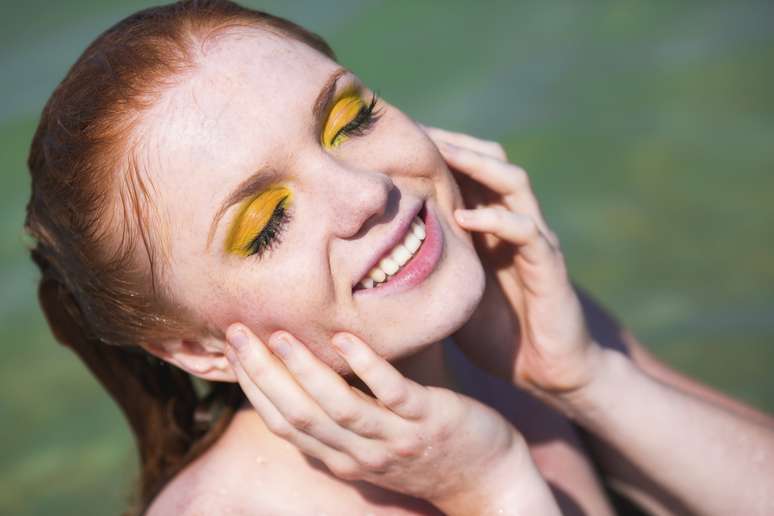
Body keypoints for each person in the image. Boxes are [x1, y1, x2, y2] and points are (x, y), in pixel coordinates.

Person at [24, 1, 774, 515]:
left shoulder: (501, 336)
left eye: (348, 120)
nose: (367, 195)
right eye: (267, 222)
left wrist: (588, 380)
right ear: (195, 347)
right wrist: (494, 486)